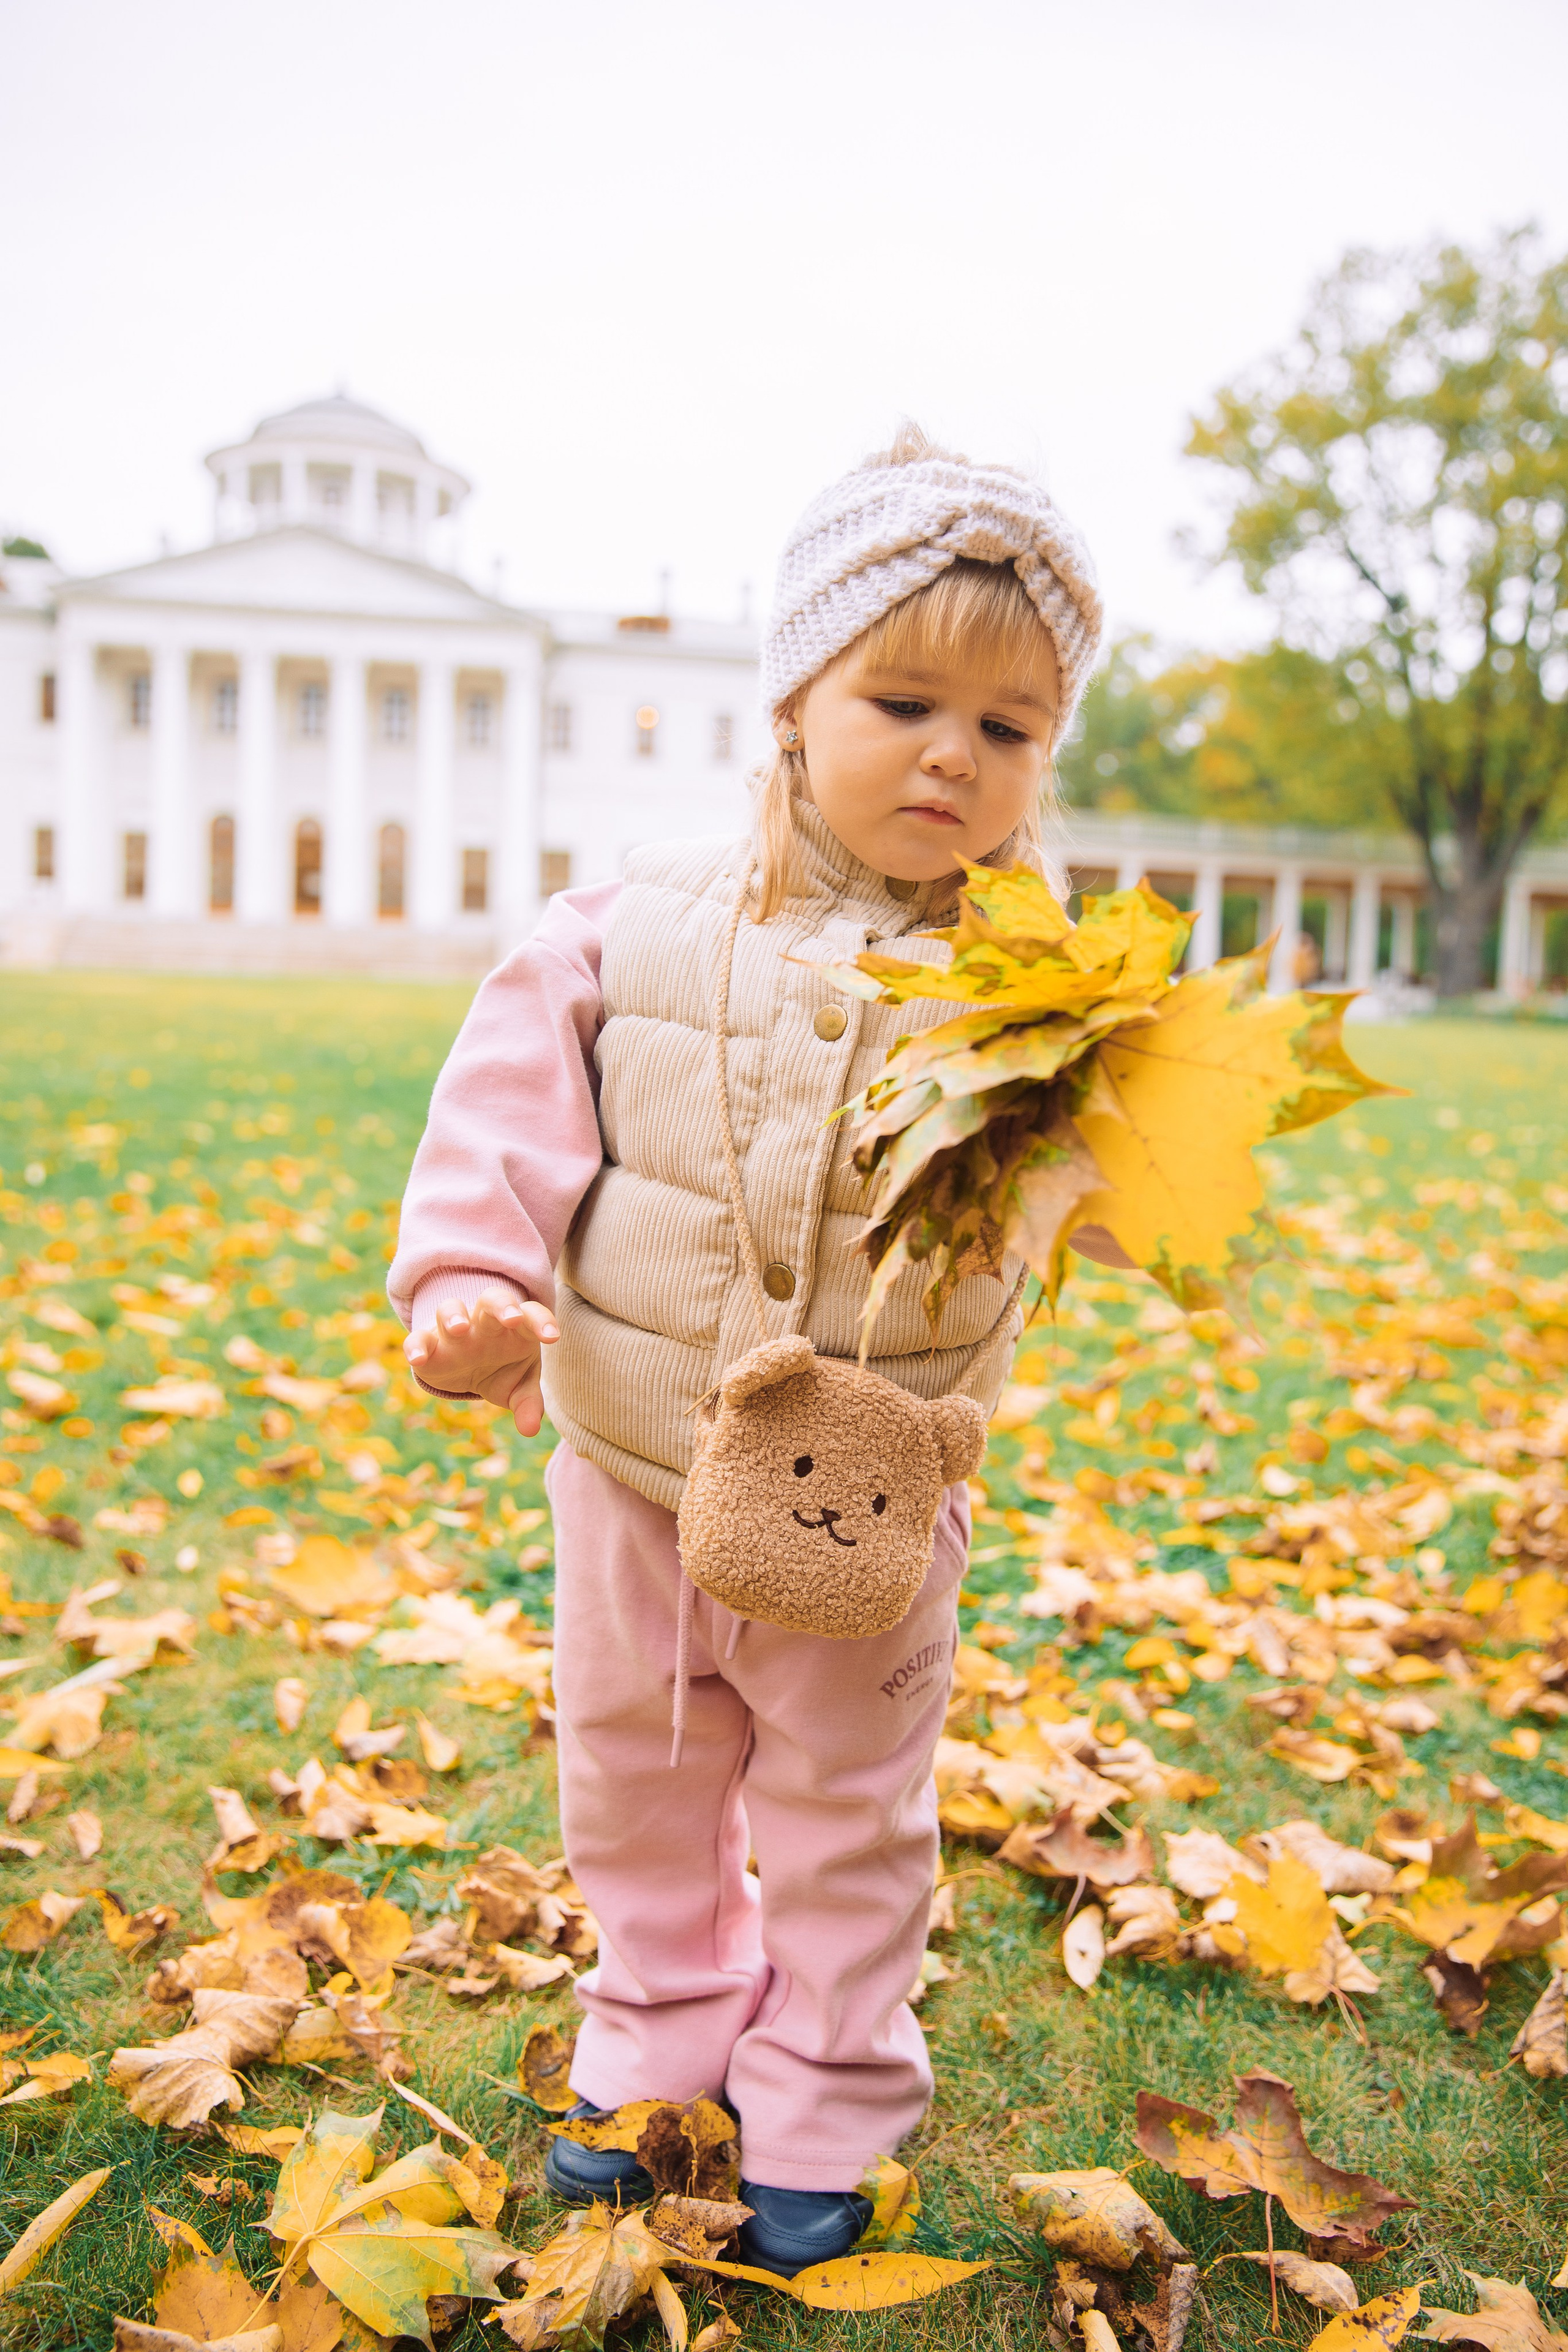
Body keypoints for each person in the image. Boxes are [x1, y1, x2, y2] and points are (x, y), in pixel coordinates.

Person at [388, 425, 1102, 2272]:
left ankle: (832, 2083)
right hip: (631, 1457)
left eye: (1010, 729)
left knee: (847, 1810)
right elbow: (508, 1109)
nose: (955, 753)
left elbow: (1104, 1190)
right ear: (797, 699)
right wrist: (469, 1278)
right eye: (906, 697)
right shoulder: (629, 922)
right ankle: (655, 2034)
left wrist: (1113, 1156)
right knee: (634, 1773)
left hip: (872, 1486)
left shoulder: (1040, 993)